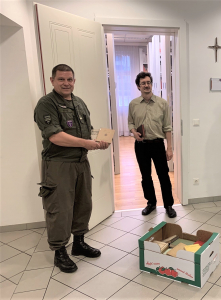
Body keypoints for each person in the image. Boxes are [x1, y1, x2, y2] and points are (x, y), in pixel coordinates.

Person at [34, 64, 110, 273]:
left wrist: (99, 140)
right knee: (60, 209)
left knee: (82, 204)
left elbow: (86, 133)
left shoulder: (79, 103)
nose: (66, 83)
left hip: (81, 163)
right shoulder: (46, 104)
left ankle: (79, 243)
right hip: (59, 165)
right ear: (52, 81)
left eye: (70, 79)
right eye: (61, 79)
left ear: (74, 81)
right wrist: (87, 144)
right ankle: (60, 252)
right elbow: (55, 136)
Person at [128, 72, 176, 218]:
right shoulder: (133, 104)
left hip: (157, 144)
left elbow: (167, 127)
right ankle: (151, 203)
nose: (146, 85)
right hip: (141, 145)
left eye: (148, 82)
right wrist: (133, 132)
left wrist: (169, 148)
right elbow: (130, 122)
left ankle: (168, 205)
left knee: (163, 175)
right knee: (145, 176)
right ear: (138, 86)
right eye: (143, 83)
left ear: (151, 84)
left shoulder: (162, 104)